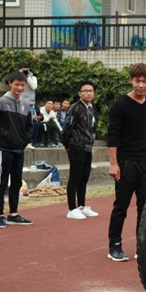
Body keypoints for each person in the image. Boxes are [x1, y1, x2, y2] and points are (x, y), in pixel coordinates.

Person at [107, 63, 146, 262]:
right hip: (126, 163)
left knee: (145, 207)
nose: (141, 85)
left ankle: (141, 245)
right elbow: (113, 136)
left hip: (145, 162)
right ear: (131, 80)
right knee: (121, 206)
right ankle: (114, 246)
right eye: (137, 81)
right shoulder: (120, 105)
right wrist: (113, 163)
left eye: (145, 81)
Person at [0, 71, 33, 228]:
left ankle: (13, 214)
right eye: (17, 84)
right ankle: (0, 215)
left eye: (22, 85)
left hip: (19, 150)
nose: (19, 88)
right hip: (4, 148)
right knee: (2, 181)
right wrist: (6, 135)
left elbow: (29, 127)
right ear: (10, 84)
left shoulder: (26, 105)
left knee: (17, 181)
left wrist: (25, 140)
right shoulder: (1, 102)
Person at [62, 81, 99, 220]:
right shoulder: (75, 108)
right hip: (76, 146)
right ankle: (72, 208)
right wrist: (67, 145)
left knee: (84, 177)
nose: (89, 93)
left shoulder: (92, 108)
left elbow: (93, 127)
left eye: (91, 91)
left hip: (88, 147)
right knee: (75, 178)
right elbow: (67, 127)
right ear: (79, 93)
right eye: (85, 90)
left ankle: (82, 206)